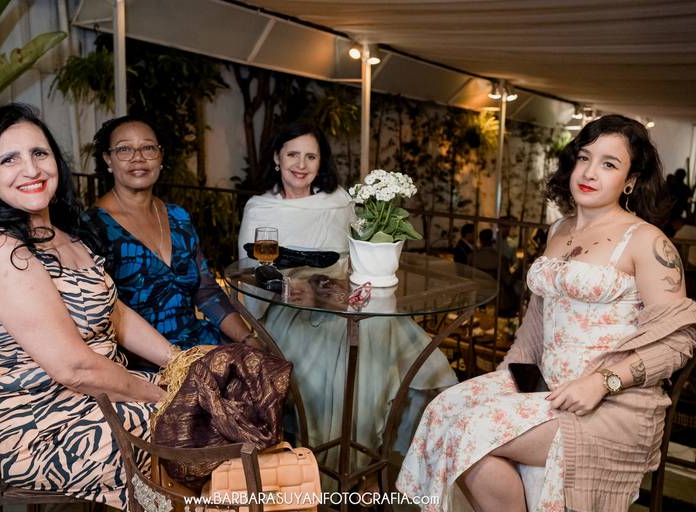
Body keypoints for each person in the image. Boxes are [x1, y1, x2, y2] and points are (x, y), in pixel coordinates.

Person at [397, 114, 696, 512]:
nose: (589, 172)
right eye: (584, 158)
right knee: (443, 409)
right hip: (546, 385)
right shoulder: (558, 230)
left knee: (470, 432)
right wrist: (506, 376)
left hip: (612, 405)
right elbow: (536, 324)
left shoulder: (647, 241)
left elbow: (679, 342)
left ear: (631, 180)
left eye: (609, 164)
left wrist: (603, 382)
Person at [0, 104, 173, 509]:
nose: (31, 169)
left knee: (216, 398)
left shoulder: (61, 232)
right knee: (197, 433)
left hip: (103, 393)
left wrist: (180, 360)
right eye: (9, 159)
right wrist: (161, 397)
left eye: (39, 153)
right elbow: (74, 369)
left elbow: (114, 312)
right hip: (46, 425)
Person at [237, 121, 458, 475]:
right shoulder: (260, 207)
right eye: (292, 154)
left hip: (342, 301)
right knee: (341, 363)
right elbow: (251, 273)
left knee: (400, 347)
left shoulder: (339, 201)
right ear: (277, 158)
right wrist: (289, 288)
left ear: (321, 162)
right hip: (286, 311)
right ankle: (333, 465)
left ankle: (370, 456)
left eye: (311, 156)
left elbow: (355, 261)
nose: (301, 164)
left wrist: (333, 288)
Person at [83, 115, 257, 365]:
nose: (138, 157)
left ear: (160, 157)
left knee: (267, 369)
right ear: (107, 159)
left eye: (148, 147)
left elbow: (206, 292)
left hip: (199, 345)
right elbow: (103, 315)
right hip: (144, 361)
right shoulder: (93, 227)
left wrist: (247, 339)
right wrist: (180, 364)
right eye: (124, 149)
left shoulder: (178, 217)